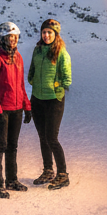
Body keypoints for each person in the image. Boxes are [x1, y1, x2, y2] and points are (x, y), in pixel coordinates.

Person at [0, 21, 32, 199]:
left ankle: (12, 180)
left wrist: (27, 106)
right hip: (1, 109)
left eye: (15, 37)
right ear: (3, 37)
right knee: (0, 145)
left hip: (17, 108)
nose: (13, 40)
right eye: (10, 36)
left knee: (12, 146)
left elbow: (20, 84)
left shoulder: (18, 57)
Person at [28, 18, 72, 189]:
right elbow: (32, 69)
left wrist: (57, 88)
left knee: (52, 138)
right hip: (37, 99)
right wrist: (31, 79)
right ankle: (48, 170)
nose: (46, 35)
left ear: (56, 34)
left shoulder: (61, 53)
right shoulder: (37, 50)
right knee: (42, 137)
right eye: (44, 32)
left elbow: (67, 79)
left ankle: (63, 174)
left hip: (54, 101)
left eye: (50, 33)